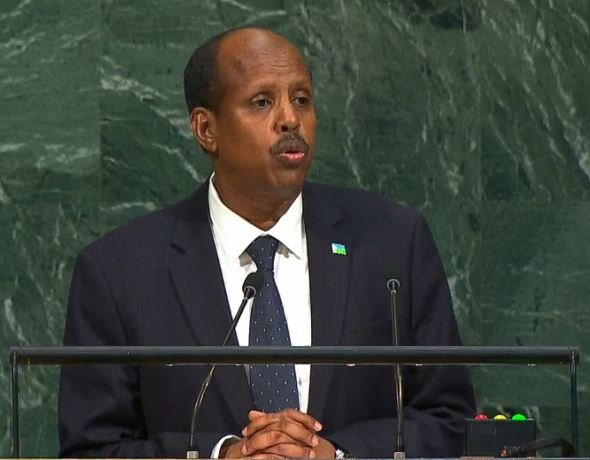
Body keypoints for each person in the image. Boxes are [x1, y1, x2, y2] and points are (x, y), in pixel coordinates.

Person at [59, 27, 475, 458]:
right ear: (206, 129)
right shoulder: (119, 272)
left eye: (302, 99)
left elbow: (449, 418)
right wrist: (220, 455)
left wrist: (337, 454)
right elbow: (91, 450)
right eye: (262, 102)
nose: (290, 119)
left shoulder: (392, 241)